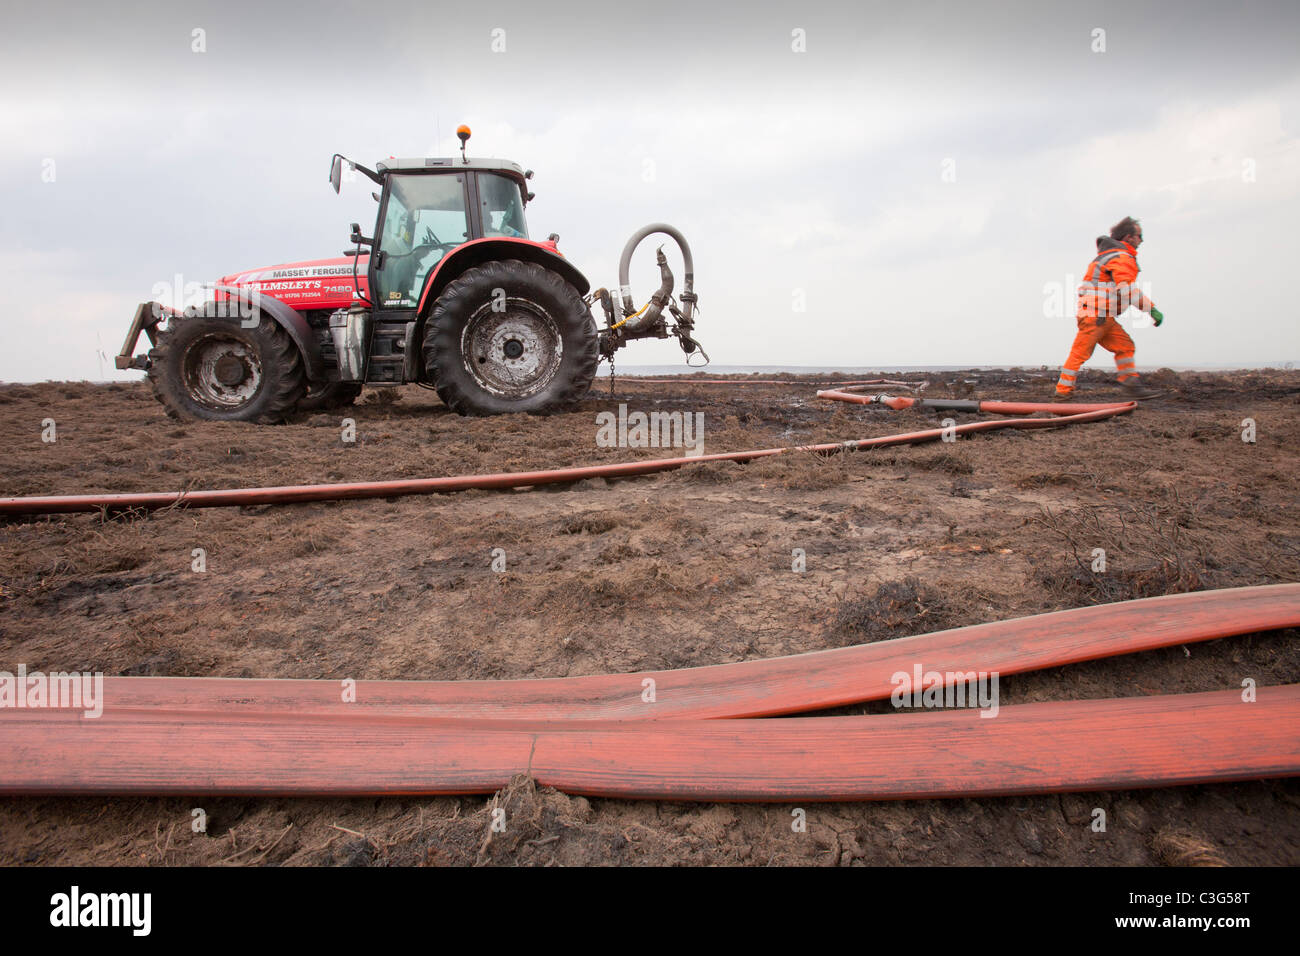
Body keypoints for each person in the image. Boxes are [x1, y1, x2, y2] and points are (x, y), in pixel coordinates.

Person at [1054, 216, 1164, 400]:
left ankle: (1131, 385)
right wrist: (1151, 310)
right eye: (1139, 236)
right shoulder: (1121, 257)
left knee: (1125, 346)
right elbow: (1127, 289)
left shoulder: (1108, 256)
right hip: (1097, 315)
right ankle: (1062, 393)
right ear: (1129, 237)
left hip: (1102, 316)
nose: (1141, 240)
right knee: (1079, 353)